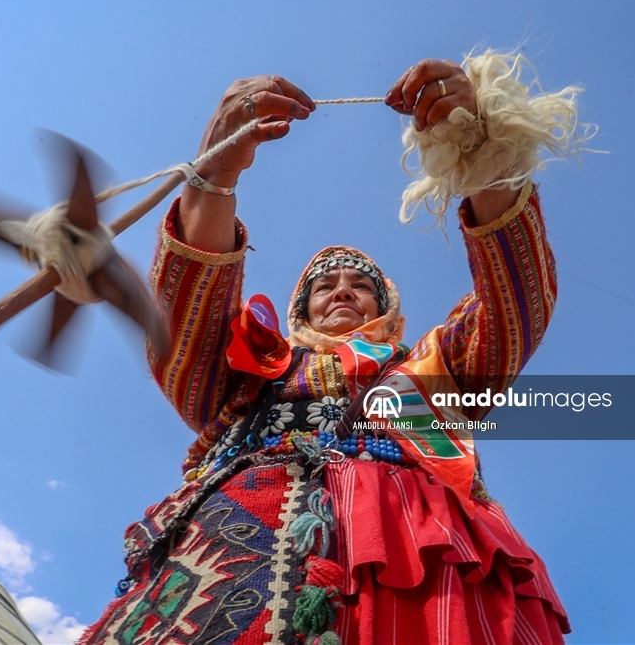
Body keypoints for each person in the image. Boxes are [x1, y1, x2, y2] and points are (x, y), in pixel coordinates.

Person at [79, 55, 576, 645]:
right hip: (234, 547)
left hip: (427, 556)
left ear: (385, 304)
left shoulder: (432, 368)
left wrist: (478, 151)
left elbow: (516, 308)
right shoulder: (255, 368)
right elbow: (181, 332)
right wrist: (213, 172)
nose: (342, 289)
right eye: (323, 286)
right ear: (298, 311)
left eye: (361, 284)